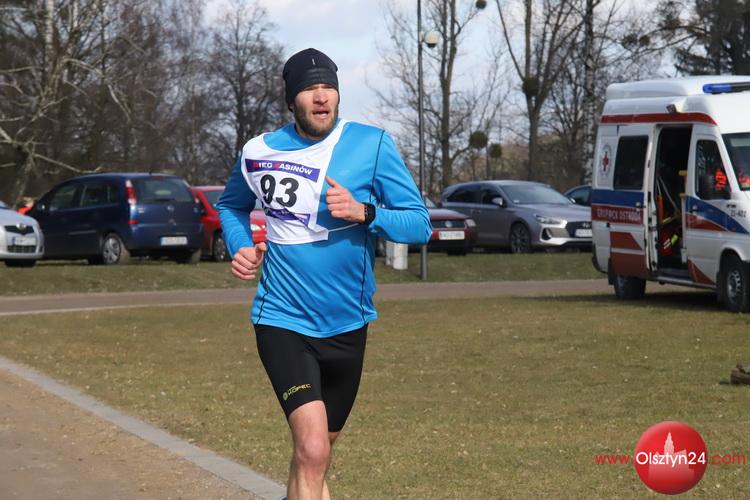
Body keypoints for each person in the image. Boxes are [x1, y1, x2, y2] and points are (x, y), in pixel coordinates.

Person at [216, 48, 431, 499]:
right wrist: (240, 247)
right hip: (282, 319)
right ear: (291, 100)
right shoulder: (258, 151)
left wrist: (364, 212)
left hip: (348, 325)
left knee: (316, 454)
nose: (321, 97)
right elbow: (232, 205)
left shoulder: (372, 145)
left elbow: (419, 224)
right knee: (312, 450)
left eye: (328, 87)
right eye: (310, 89)